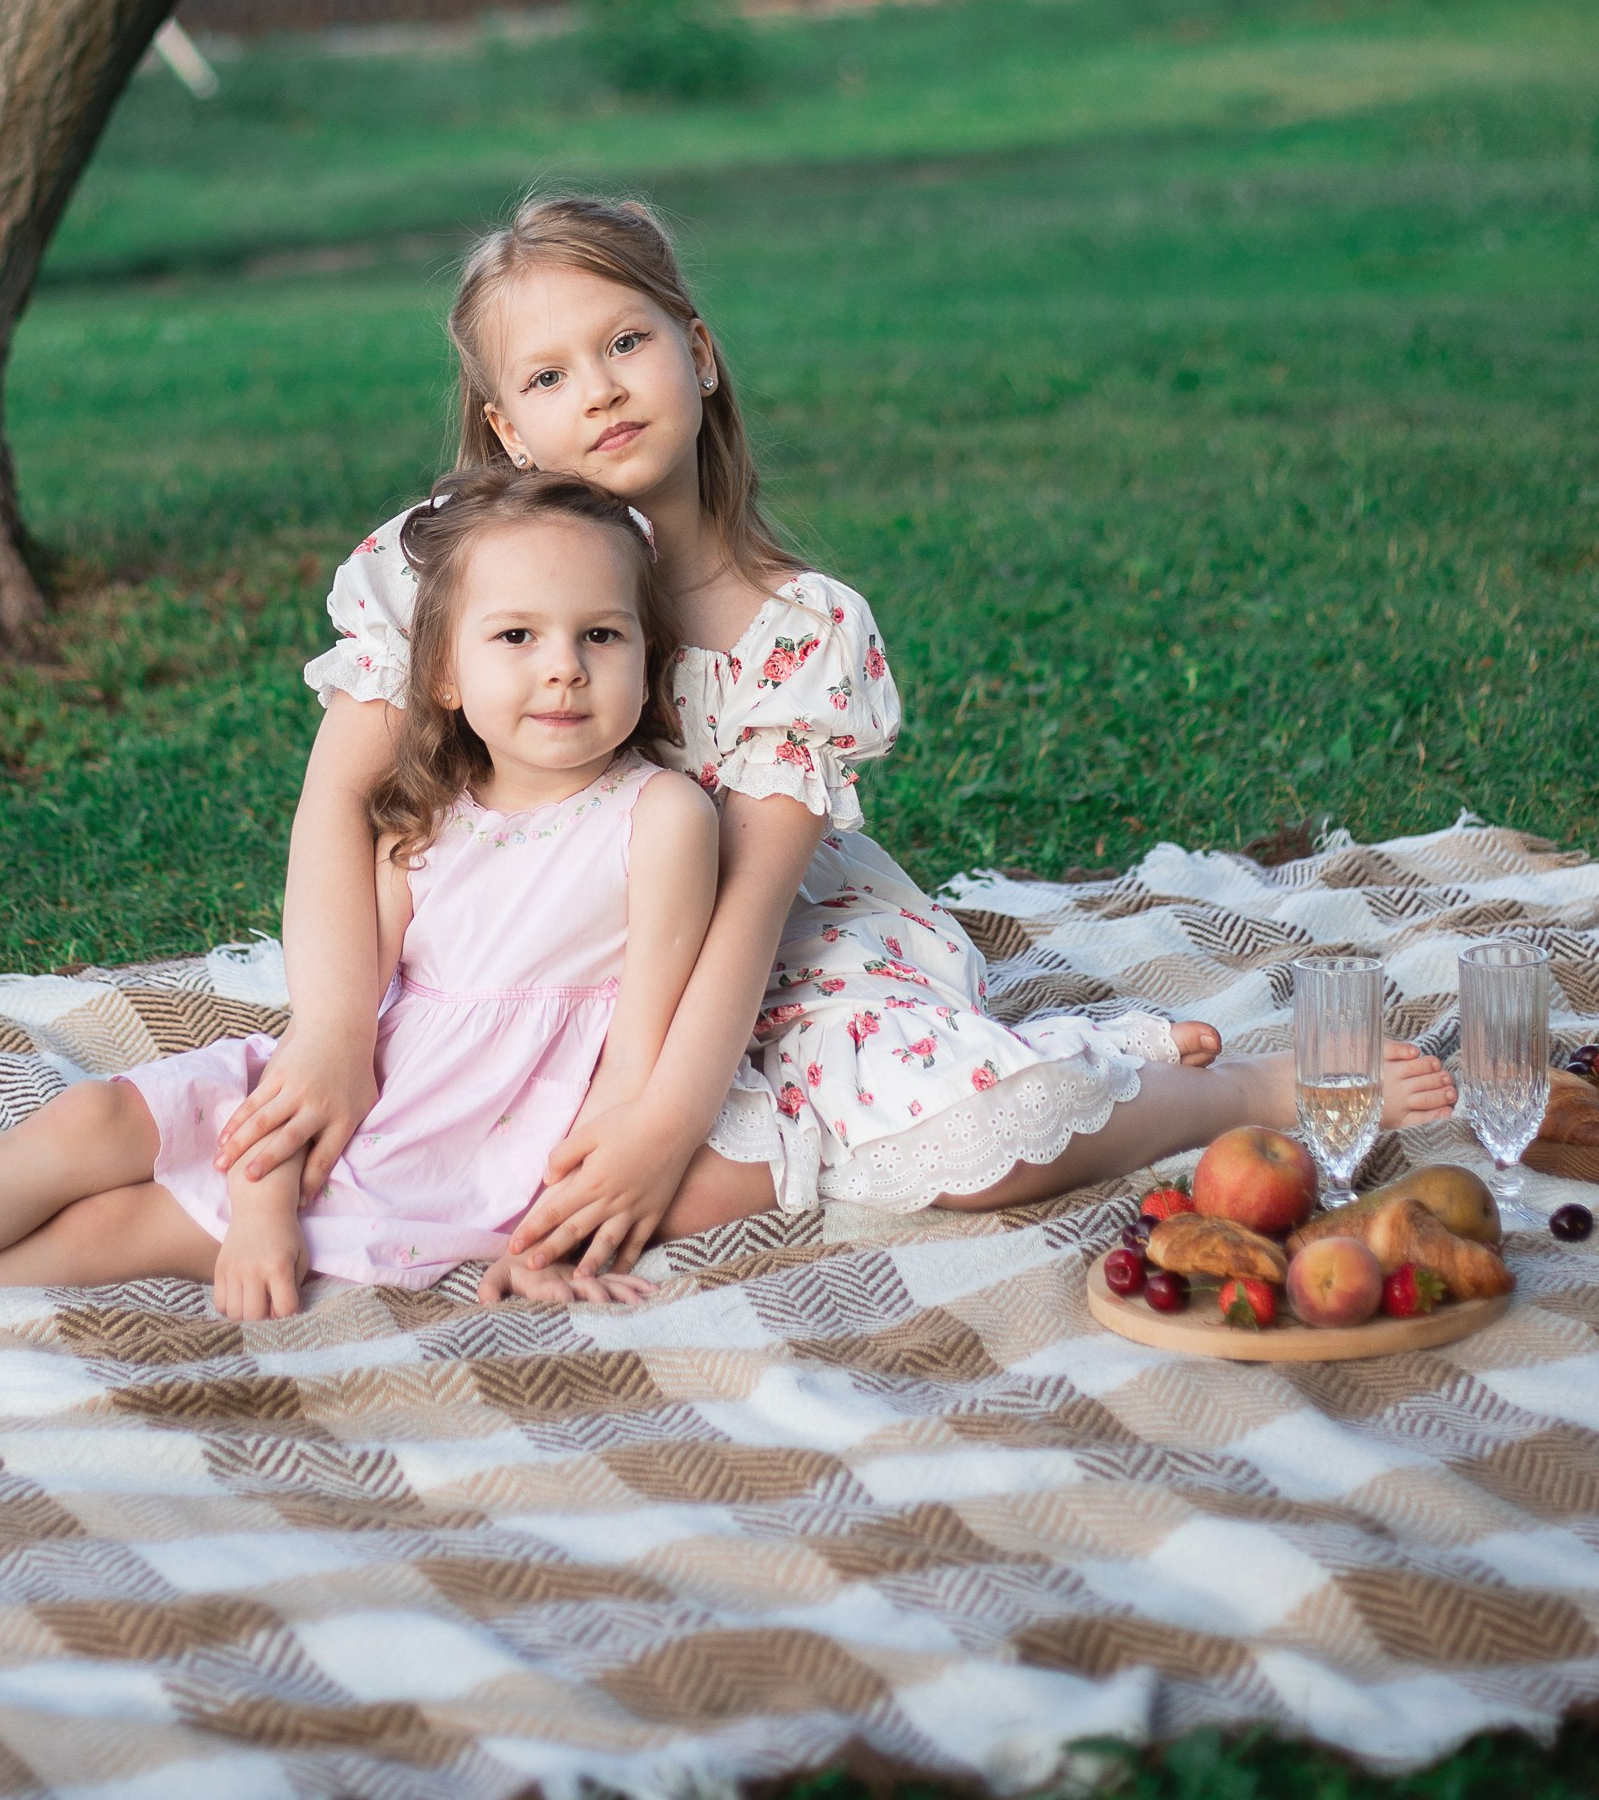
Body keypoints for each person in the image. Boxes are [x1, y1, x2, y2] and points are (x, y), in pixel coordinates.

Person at [217, 191, 1455, 1277]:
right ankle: (1050, 1064)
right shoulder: (441, 565)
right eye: (546, 377)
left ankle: (1221, 1088)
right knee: (403, 1143)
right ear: (503, 430)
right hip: (524, 930)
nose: (595, 389)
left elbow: (748, 915)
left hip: (763, 952)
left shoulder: (797, 631)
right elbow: (345, 802)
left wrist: (657, 1121)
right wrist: (331, 1034)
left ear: (697, 355)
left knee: (950, 1157)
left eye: (626, 343)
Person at [0, 474, 721, 1345]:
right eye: (518, 637)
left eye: (600, 637)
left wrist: (558, 1235)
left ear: (644, 655)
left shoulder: (660, 817)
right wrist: (261, 1195)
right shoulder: (427, 817)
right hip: (331, 1097)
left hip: (455, 1146)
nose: (563, 668)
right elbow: (339, 1033)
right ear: (447, 676)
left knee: (120, 1236)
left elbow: (633, 1062)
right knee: (90, 1123)